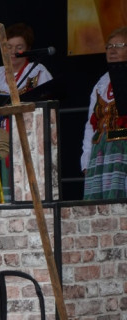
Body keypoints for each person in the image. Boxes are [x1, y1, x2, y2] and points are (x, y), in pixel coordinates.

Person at [0, 23, 53, 204]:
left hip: (28, 143)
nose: (13, 52)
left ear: (28, 50)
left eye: (19, 47)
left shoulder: (39, 73)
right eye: (8, 47)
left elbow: (49, 112)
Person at [82, 27, 127, 199]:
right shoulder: (101, 83)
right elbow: (90, 125)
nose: (112, 50)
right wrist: (87, 159)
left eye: (119, 45)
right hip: (100, 154)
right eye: (109, 47)